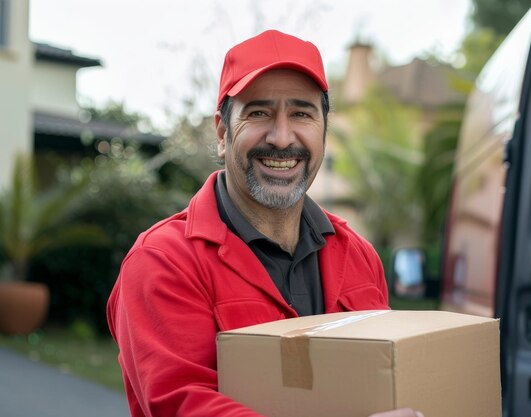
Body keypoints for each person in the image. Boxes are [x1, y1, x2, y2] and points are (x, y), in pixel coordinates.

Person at [107, 30, 422, 417]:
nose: (281, 137)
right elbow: (184, 405)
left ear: (325, 130)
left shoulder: (360, 257)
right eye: (259, 113)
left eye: (302, 113)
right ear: (223, 133)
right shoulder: (163, 262)